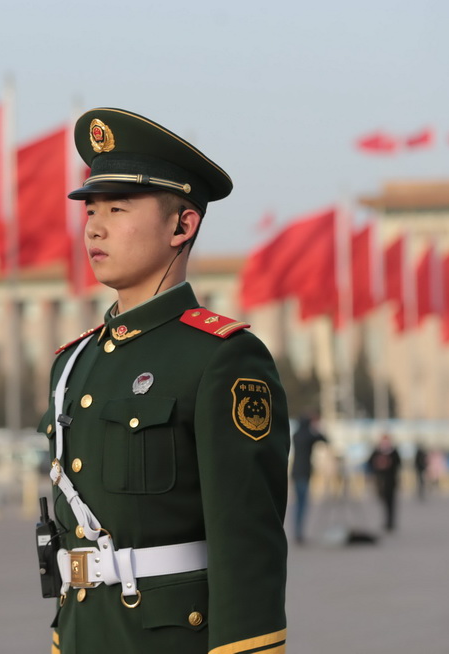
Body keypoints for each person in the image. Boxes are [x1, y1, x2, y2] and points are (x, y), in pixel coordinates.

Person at [38, 108, 289, 654]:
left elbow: (247, 539)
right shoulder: (74, 364)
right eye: (91, 210)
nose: (95, 227)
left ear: (183, 225)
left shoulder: (223, 359)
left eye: (118, 209)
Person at [290, 412, 328, 545]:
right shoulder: (308, 436)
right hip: (304, 473)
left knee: (298, 505)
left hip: (296, 472)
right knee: (302, 505)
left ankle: (298, 532)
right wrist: (317, 427)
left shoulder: (296, 435)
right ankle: (299, 533)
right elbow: (325, 439)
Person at [366, 433, 402, 532]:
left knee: (391, 502)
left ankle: (390, 522)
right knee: (383, 500)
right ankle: (386, 521)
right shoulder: (377, 451)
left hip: (390, 480)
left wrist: (389, 463)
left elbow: (399, 463)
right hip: (380, 480)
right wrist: (378, 464)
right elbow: (369, 462)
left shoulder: (393, 451)